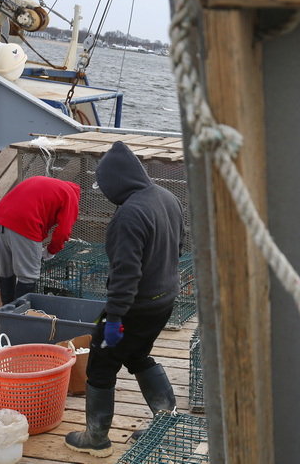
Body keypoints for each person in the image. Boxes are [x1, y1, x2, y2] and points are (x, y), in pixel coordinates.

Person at [66, 141, 185, 458]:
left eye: (105, 186)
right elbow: (179, 246)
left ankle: (96, 439)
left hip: (134, 309)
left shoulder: (129, 215)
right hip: (164, 301)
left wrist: (115, 320)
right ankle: (166, 419)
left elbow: (126, 275)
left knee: (101, 368)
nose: (104, 192)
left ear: (116, 182)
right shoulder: (167, 197)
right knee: (137, 355)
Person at [0, 176, 81, 305]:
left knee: (5, 270)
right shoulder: (70, 195)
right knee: (28, 276)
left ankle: (5, 311)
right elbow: (63, 232)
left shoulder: (44, 182)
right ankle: (19, 317)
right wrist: (51, 251)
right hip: (26, 223)